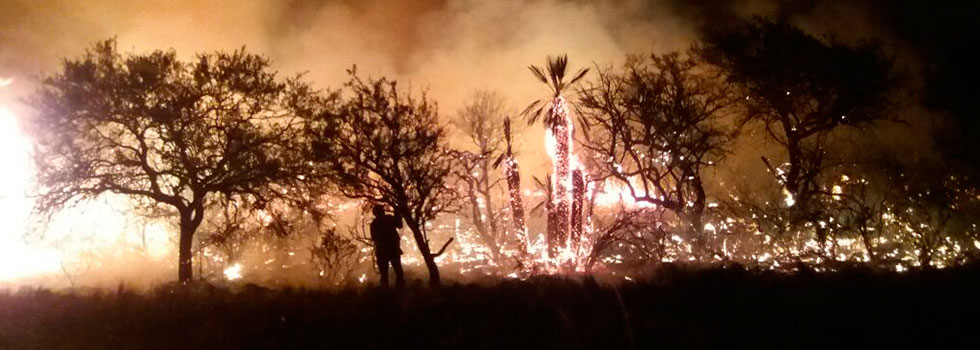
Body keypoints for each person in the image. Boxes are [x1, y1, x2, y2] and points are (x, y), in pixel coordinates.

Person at [370, 204, 405, 287]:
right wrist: (397, 213)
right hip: (390, 250)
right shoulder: (387, 219)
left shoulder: (375, 223)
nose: (383, 211)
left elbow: (374, 238)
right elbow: (399, 225)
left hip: (383, 251)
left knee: (386, 274)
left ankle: (387, 293)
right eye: (381, 210)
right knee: (397, 272)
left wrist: (397, 213)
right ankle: (397, 292)